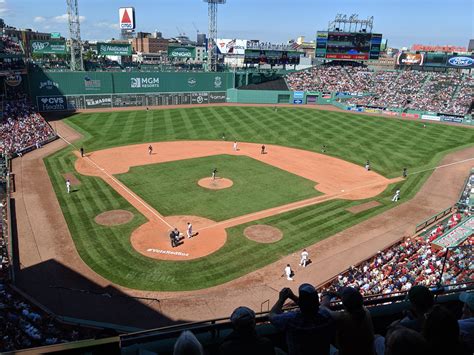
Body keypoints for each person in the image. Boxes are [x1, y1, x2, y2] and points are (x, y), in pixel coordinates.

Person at [269, 284, 335, 355]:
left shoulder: (291, 319)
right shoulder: (326, 315)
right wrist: (294, 297)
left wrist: (281, 299)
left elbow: (272, 315)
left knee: (275, 350)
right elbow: (316, 307)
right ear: (317, 303)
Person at [321, 287, 375, 355]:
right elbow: (353, 300)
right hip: (368, 352)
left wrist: (327, 295)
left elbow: (322, 309)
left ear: (345, 305)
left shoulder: (342, 318)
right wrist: (339, 295)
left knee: (326, 347)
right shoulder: (366, 312)